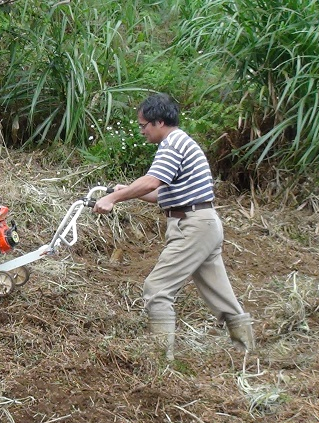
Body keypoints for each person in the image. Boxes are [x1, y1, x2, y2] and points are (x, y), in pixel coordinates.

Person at [92, 93, 254, 360]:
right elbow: (158, 193)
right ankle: (248, 354)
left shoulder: (172, 144)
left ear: (158, 122)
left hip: (193, 226)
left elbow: (152, 181)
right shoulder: (181, 142)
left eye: (143, 126)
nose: (142, 131)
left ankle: (159, 362)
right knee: (221, 296)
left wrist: (112, 198)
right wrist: (126, 191)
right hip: (203, 223)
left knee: (157, 289)